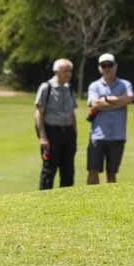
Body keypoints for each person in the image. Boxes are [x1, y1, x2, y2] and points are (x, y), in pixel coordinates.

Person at [84, 53, 134, 185]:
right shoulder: (94, 86)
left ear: (115, 66)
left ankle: (110, 197)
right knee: (93, 170)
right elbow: (95, 104)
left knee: (112, 173)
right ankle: (91, 196)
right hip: (98, 136)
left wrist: (104, 101)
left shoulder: (125, 84)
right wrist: (117, 102)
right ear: (99, 68)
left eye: (109, 65)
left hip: (117, 135)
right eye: (103, 65)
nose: (107, 68)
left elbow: (129, 99)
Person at [33, 58, 77, 189]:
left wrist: (74, 133)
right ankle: (45, 199)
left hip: (68, 133)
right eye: (65, 71)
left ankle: (67, 198)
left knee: (68, 170)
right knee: (49, 170)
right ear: (56, 72)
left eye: (70, 71)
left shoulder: (69, 88)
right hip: (52, 133)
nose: (69, 74)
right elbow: (39, 113)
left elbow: (72, 113)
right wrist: (42, 137)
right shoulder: (46, 87)